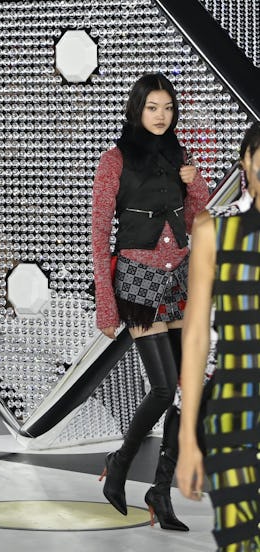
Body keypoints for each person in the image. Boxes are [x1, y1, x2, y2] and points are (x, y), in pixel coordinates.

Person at [92, 72, 210, 529]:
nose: (161, 116)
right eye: (152, 107)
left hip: (179, 278)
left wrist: (195, 184)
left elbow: (196, 220)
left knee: (188, 388)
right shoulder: (114, 160)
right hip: (138, 281)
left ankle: (160, 491)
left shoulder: (181, 155)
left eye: (168, 108)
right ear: (136, 109)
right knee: (163, 388)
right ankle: (120, 461)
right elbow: (99, 234)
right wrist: (106, 304)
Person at [176, 122, 260, 551]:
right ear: (245, 161)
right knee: (241, 543)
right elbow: (196, 337)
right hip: (235, 412)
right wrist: (187, 438)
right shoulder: (213, 231)